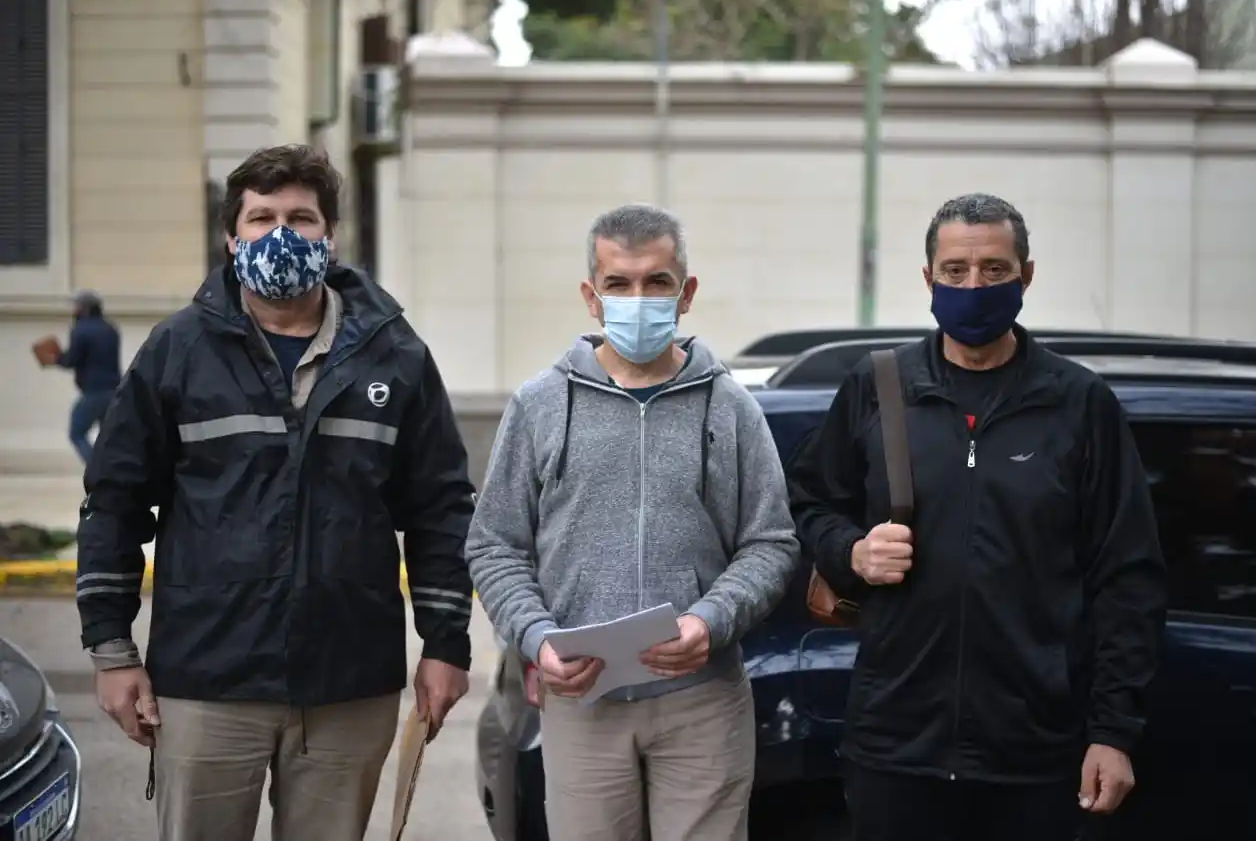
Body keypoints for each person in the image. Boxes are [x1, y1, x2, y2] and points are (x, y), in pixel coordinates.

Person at [74, 144, 476, 841]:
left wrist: (447, 644)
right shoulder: (177, 351)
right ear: (232, 240)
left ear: (332, 236)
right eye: (260, 218)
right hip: (207, 683)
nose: (281, 234)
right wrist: (113, 652)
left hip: (349, 685)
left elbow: (441, 507)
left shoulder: (396, 354)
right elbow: (114, 502)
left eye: (301, 217)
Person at [787, 193, 1167, 841]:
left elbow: (1127, 576)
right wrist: (850, 552)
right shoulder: (878, 387)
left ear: (1027, 275)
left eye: (994, 269)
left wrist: (1112, 731)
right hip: (896, 742)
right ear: (928, 277)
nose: (974, 285)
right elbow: (810, 502)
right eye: (956, 270)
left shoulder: (1079, 403)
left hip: (1034, 750)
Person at [466, 203, 801, 841]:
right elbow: (494, 546)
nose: (638, 298)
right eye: (619, 284)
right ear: (592, 297)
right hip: (581, 701)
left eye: (657, 282)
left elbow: (769, 543)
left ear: (687, 292)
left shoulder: (730, 407)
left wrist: (711, 619)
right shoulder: (539, 405)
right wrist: (537, 638)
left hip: (702, 701)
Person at [46, 289, 121, 464]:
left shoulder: (80, 330)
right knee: (109, 438)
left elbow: (72, 360)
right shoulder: (110, 328)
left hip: (93, 391)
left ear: (84, 308)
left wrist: (56, 358)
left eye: (76, 306)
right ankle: (113, 472)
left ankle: (98, 468)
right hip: (115, 390)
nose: (74, 310)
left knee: (77, 433)